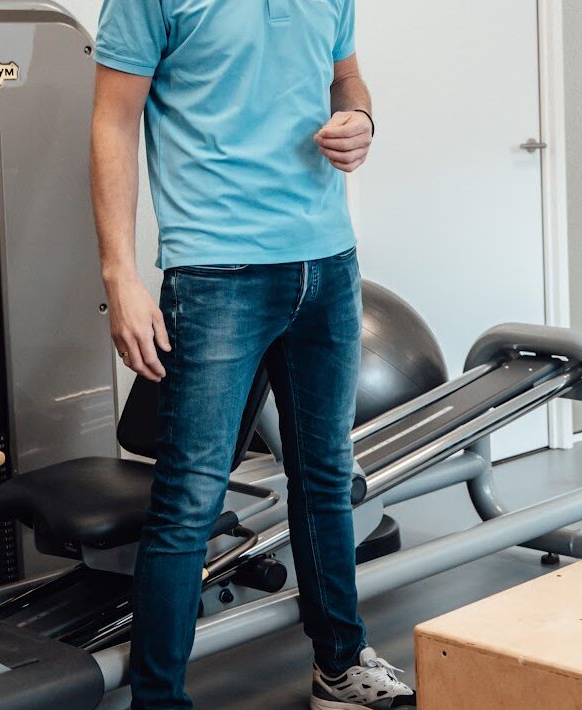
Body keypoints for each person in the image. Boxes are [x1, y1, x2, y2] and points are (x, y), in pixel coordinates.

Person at [90, 1, 415, 707]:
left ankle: (339, 666)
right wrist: (120, 273)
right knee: (189, 501)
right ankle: (159, 699)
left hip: (327, 261)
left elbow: (347, 77)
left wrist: (360, 119)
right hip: (215, 273)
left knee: (326, 476)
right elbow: (113, 119)